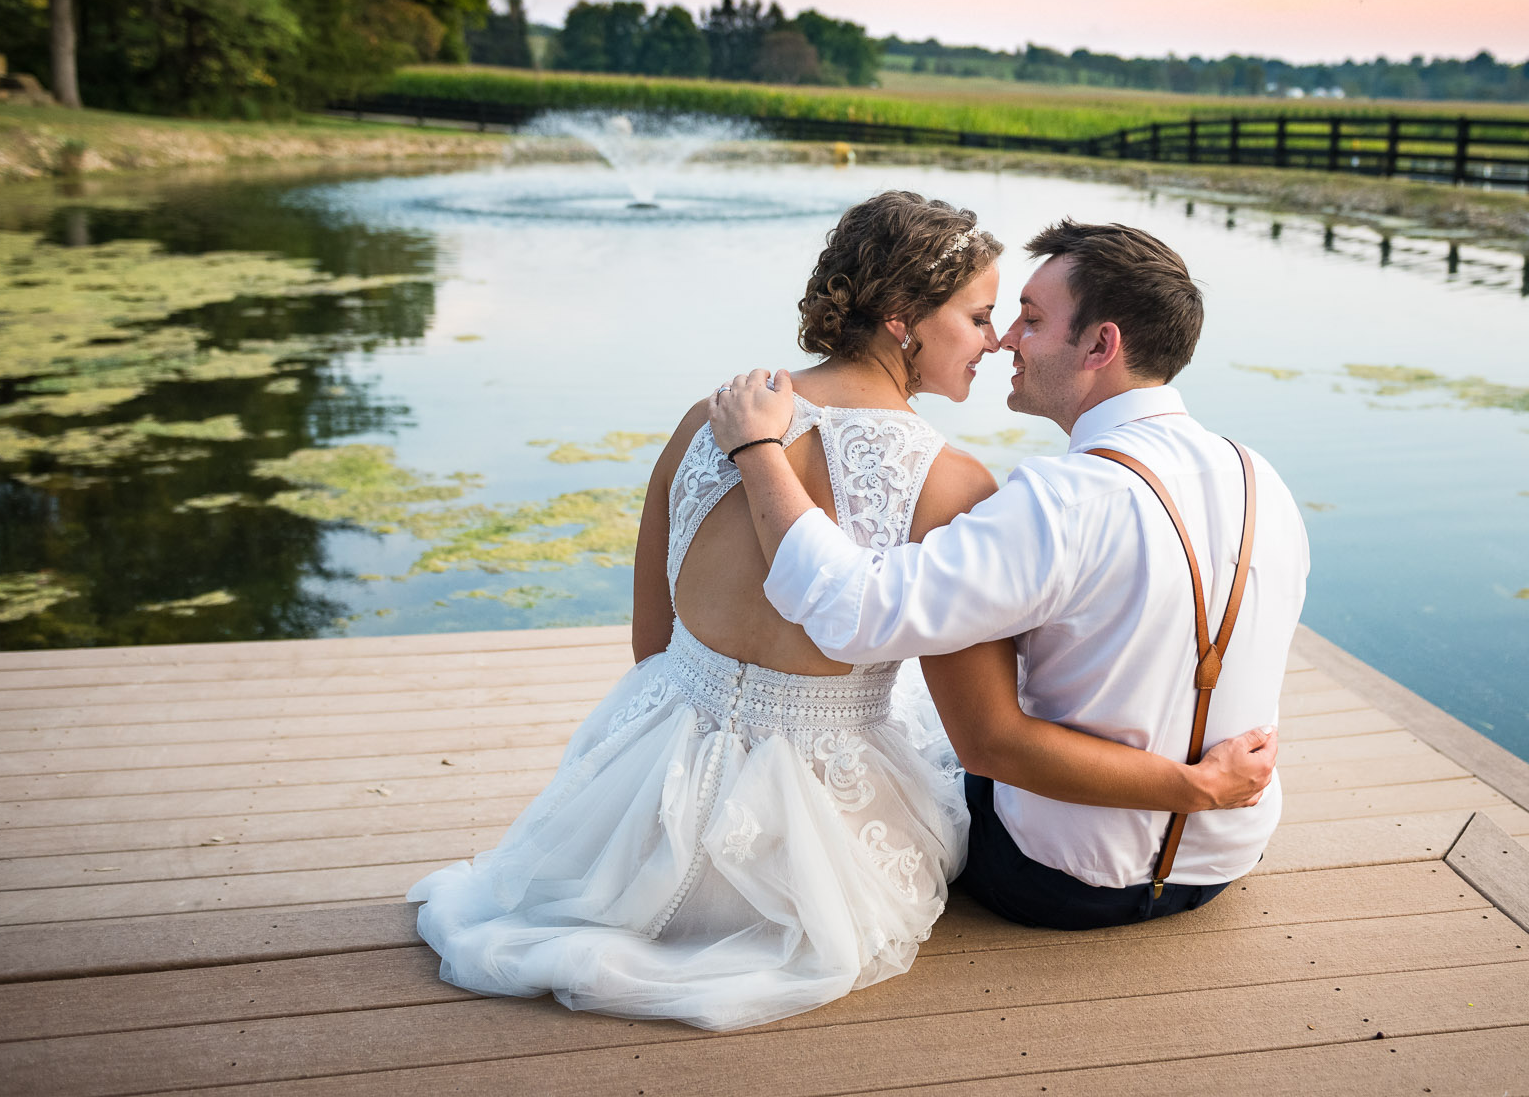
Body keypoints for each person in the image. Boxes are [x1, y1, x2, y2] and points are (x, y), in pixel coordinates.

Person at [408, 193, 1277, 1033]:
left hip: (639, 796)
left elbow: (652, 644)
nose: (996, 338)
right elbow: (975, 724)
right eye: (979, 316)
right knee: (922, 729)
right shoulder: (956, 482)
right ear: (905, 315)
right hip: (807, 844)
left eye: (1010, 318)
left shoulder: (705, 419)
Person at [709, 217, 1309, 932]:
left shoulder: (1062, 501)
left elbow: (853, 611)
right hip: (1225, 857)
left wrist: (756, 450)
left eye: (1030, 319)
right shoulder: (1262, 475)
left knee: (924, 737)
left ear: (1100, 344)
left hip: (1060, 879)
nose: (1006, 341)